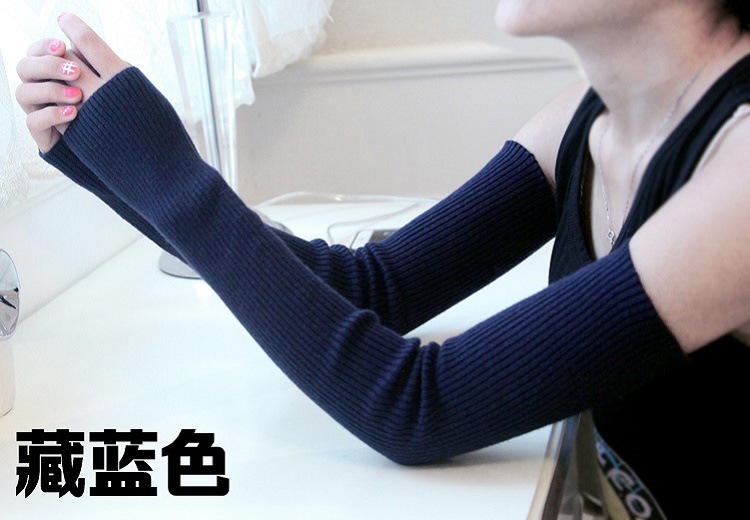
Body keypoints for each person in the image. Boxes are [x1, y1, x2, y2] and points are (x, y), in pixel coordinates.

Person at [15, 2, 750, 518]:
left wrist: (170, 178)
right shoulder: (586, 116)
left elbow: (422, 405)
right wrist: (110, 166)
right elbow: (372, 286)